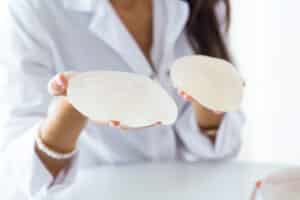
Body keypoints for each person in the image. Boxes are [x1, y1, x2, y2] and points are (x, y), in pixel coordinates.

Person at [0, 0, 245, 198]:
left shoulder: (204, 5)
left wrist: (211, 94)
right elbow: (20, 176)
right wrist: (76, 103)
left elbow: (222, 149)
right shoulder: (33, 9)